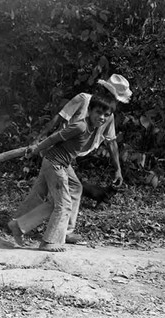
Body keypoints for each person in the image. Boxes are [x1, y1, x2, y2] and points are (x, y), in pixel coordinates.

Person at [14, 74, 132, 244]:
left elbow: (111, 141)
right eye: (113, 97)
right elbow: (59, 119)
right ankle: (40, 233)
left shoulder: (107, 114)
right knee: (58, 199)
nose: (103, 115)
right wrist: (38, 142)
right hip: (57, 154)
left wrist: (118, 169)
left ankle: (47, 228)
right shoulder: (84, 101)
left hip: (67, 157)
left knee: (72, 188)